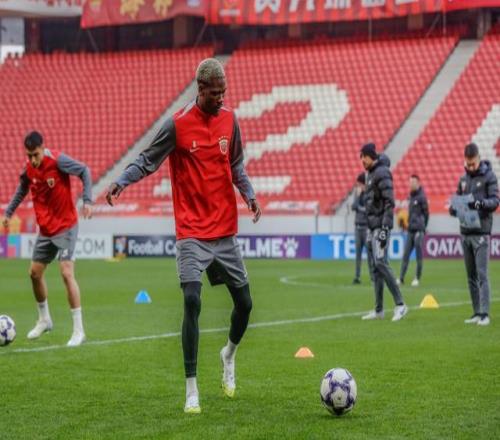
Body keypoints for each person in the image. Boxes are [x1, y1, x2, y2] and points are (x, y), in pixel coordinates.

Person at [105, 58, 261, 414]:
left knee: (246, 304)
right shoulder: (176, 125)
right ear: (200, 89)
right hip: (191, 231)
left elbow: (236, 165)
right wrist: (122, 181)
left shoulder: (230, 120)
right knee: (192, 299)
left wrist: (249, 195)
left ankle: (228, 354)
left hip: (224, 231)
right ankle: (192, 389)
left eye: (224, 92)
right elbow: (147, 160)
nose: (221, 98)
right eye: (215, 93)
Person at [2, 131, 92, 347]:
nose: (33, 159)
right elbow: (22, 189)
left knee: (66, 272)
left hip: (66, 226)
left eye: (35, 154)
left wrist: (87, 200)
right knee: (34, 273)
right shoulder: (29, 168)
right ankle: (44, 320)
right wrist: (8, 212)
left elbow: (84, 170)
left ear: (43, 148)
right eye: (29, 155)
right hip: (45, 230)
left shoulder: (58, 161)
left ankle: (78, 331)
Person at [449, 143, 498, 326]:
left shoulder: (489, 177)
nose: (470, 167)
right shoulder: (463, 179)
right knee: (471, 277)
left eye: (473, 163)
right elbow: (456, 200)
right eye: (468, 164)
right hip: (465, 232)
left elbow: (495, 201)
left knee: (482, 274)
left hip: (481, 232)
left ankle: (485, 314)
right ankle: (477, 312)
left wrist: (480, 204)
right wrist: (453, 209)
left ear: (478, 158)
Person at [359, 143, 408, 322]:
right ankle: (379, 310)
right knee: (375, 268)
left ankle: (401, 304)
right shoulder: (370, 174)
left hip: (381, 226)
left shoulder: (382, 173)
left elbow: (389, 202)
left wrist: (385, 229)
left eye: (364, 156)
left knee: (381, 262)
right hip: (372, 227)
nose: (362, 160)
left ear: (371, 155)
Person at [398, 175, 429, 287]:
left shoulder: (422, 197)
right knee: (406, 254)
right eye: (410, 182)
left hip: (418, 230)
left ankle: (417, 278)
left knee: (418, 255)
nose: (411, 184)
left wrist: (423, 228)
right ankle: (401, 278)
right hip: (410, 230)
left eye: (413, 182)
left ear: (418, 183)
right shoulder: (410, 197)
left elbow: (426, 214)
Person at [351, 172, 372, 284]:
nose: (358, 186)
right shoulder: (358, 194)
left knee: (369, 254)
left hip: (366, 227)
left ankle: (373, 277)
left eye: (359, 184)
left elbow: (368, 209)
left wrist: (359, 208)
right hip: (357, 227)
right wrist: (358, 197)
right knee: (358, 254)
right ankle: (357, 276)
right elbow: (353, 206)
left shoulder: (369, 194)